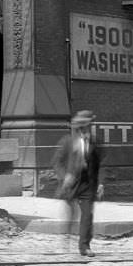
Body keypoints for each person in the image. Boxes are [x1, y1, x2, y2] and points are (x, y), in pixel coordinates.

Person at [52, 110, 104, 257]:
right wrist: (65, 176)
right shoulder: (67, 141)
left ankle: (84, 246)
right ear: (80, 127)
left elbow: (100, 165)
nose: (88, 128)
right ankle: (66, 237)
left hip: (88, 184)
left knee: (87, 215)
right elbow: (57, 162)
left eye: (90, 125)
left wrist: (100, 183)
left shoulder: (95, 143)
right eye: (86, 126)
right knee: (71, 214)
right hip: (71, 184)